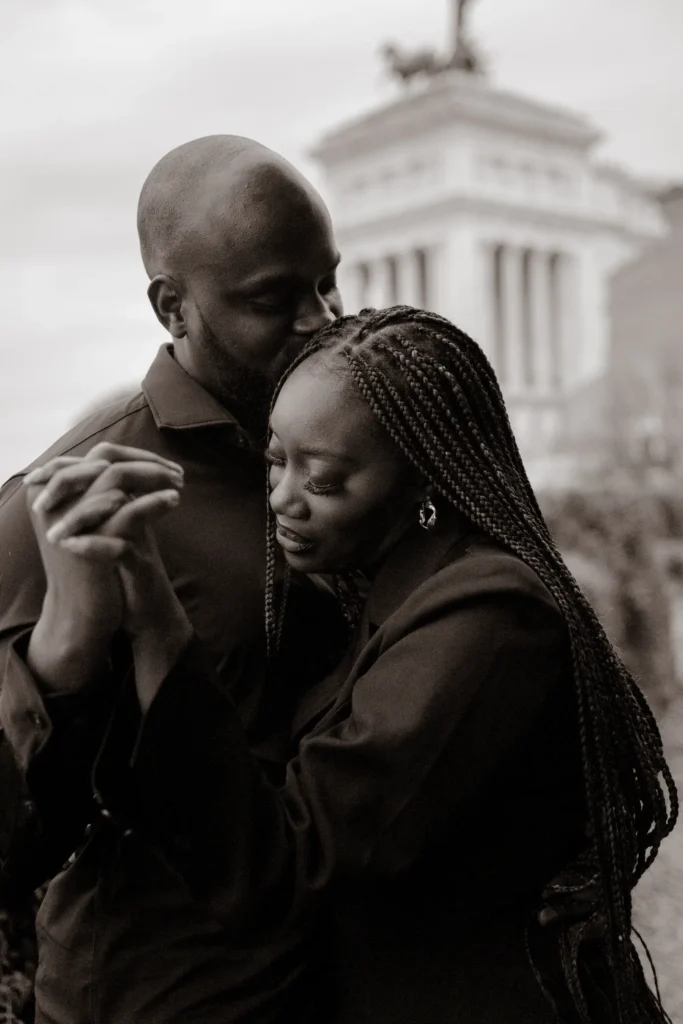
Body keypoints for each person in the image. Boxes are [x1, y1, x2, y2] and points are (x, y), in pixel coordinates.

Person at [15, 306, 678, 1024]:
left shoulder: (488, 620)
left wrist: (154, 611)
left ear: (422, 481)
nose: (281, 498)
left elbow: (287, 871)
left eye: (324, 480)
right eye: (275, 459)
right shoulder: (382, 588)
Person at [0, 134, 347, 1023]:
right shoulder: (63, 501)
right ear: (172, 307)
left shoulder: (356, 446)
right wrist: (59, 658)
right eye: (273, 298)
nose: (320, 319)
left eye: (327, 283)